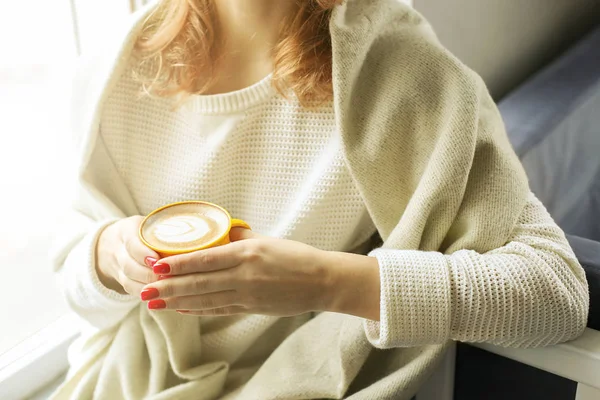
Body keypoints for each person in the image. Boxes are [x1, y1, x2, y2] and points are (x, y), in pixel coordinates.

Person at [50, 0, 589, 398]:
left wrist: (327, 282)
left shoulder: (404, 74)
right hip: (119, 382)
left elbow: (555, 294)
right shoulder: (115, 70)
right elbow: (76, 292)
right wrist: (106, 255)